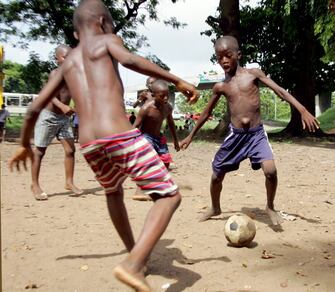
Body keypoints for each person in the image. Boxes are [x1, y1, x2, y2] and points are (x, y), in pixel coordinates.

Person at [8, 0, 198, 290]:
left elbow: (35, 107)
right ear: (100, 23)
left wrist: (24, 144)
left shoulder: (67, 62)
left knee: (113, 191)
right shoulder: (107, 41)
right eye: (109, 22)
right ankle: (133, 265)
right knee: (169, 197)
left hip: (89, 143)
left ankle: (135, 254)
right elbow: (131, 60)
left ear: (74, 33)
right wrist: (177, 80)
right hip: (118, 135)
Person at [180, 36, 320, 225]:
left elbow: (280, 91)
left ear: (238, 54)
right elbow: (205, 113)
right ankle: (215, 207)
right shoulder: (220, 86)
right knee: (216, 175)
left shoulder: (254, 74)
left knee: (270, 171)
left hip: (256, 134)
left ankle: (270, 206)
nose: (224, 61)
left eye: (228, 55)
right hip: (236, 136)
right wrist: (190, 136)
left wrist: (302, 110)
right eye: (219, 57)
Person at [30, 44, 83, 200]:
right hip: (48, 116)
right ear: (57, 59)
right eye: (65, 57)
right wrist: (62, 106)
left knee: (70, 150)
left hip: (64, 118)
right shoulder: (55, 74)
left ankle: (69, 182)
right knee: (40, 151)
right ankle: (35, 184)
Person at [132, 79, 180, 201]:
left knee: (166, 162)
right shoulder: (146, 108)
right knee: (148, 163)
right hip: (146, 136)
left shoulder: (168, 107)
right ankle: (139, 191)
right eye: (162, 96)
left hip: (158, 137)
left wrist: (175, 140)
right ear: (153, 95)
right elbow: (135, 126)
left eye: (167, 96)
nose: (165, 99)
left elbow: (171, 123)